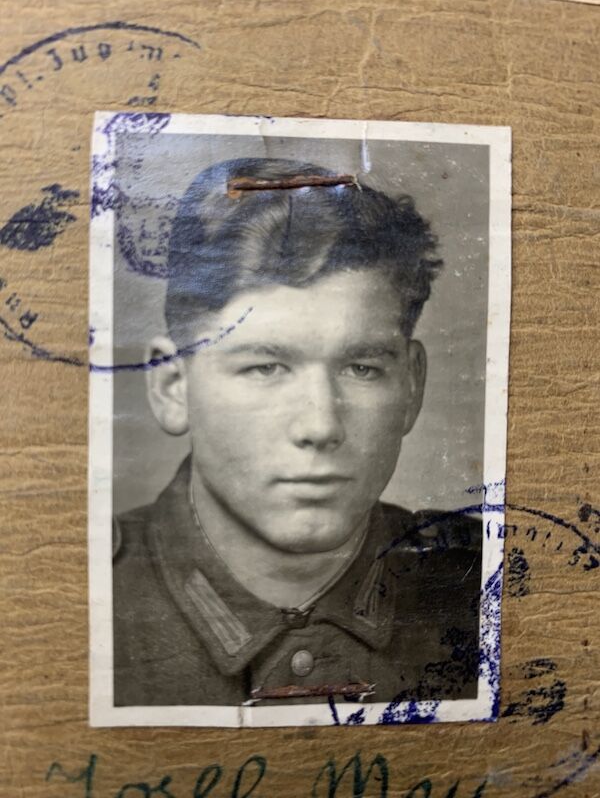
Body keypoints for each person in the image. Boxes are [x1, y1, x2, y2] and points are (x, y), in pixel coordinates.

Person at [112, 157, 482, 707]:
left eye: (362, 368)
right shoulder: (85, 594)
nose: (320, 426)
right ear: (172, 387)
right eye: (265, 367)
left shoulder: (486, 582)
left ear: (412, 386)